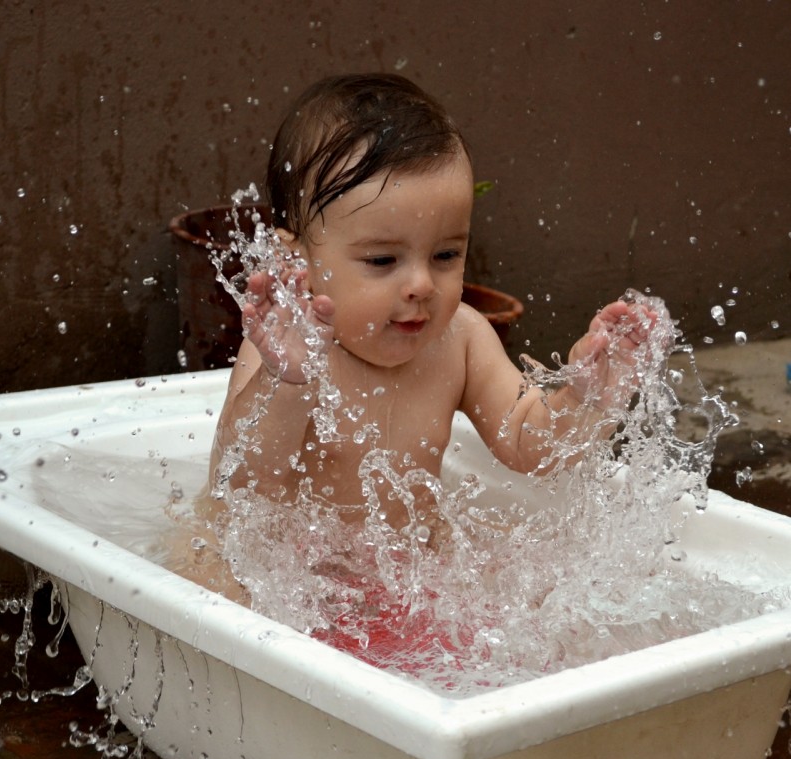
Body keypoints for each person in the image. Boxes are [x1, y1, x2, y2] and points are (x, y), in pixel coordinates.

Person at [207, 72, 662, 539]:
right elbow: (239, 486)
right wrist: (289, 384)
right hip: (293, 578)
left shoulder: (460, 339)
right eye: (382, 260)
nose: (422, 284)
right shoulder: (287, 354)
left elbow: (530, 446)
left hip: (406, 570)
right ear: (294, 260)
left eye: (445, 254)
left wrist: (586, 398)